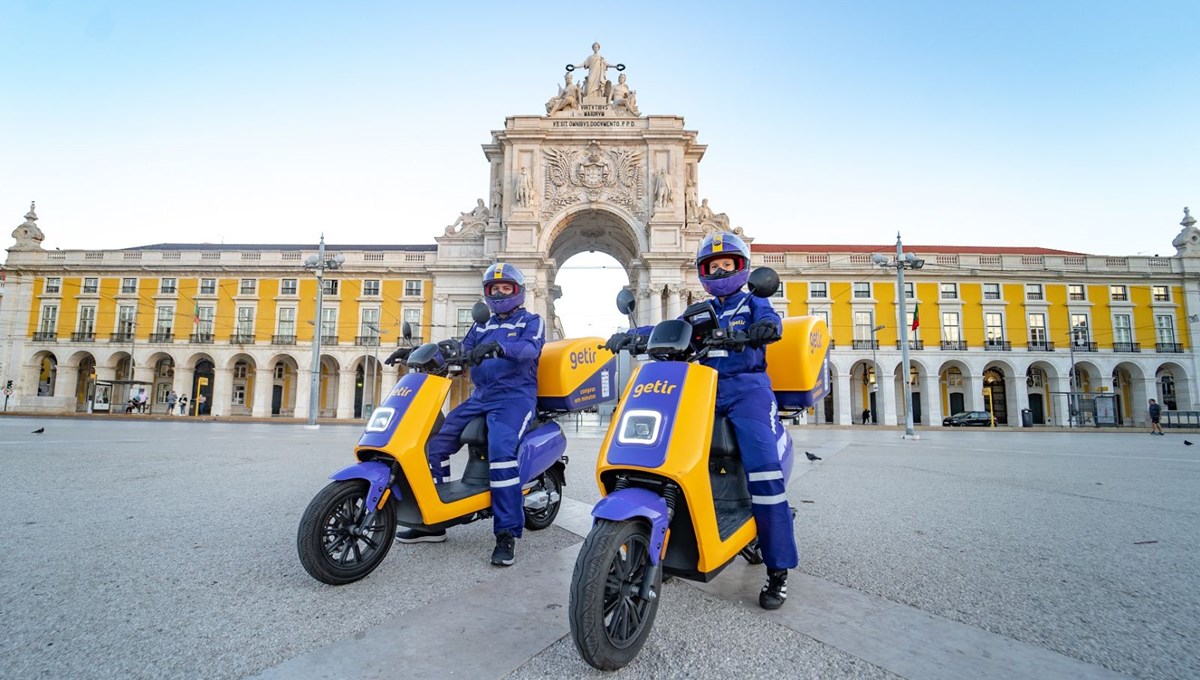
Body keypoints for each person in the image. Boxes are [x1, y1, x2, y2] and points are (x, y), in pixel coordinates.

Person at [605, 231, 797, 610]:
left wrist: (765, 330)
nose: (721, 270)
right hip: (703, 390)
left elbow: (773, 324)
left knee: (763, 472)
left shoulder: (754, 302)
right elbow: (668, 330)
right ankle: (675, 542)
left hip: (747, 390)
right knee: (674, 460)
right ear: (704, 272)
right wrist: (630, 336)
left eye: (728, 264)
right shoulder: (697, 312)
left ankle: (778, 569)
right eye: (714, 266)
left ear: (741, 268)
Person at [391, 263, 545, 567]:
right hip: (480, 397)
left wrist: (500, 347)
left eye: (506, 288)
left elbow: (530, 349)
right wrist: (416, 353)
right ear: (486, 293)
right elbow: (460, 350)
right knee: (434, 445)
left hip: (514, 399)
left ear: (519, 291)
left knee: (502, 452)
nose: (499, 293)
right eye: (493, 289)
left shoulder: (532, 320)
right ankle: (434, 522)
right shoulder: (481, 325)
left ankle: (506, 534)